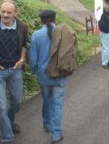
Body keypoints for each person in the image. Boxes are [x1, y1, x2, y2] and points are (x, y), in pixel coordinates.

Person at [0, 0, 27, 143]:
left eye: (9, 13)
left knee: (17, 102)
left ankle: (9, 122)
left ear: (15, 13)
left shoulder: (22, 27)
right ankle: (8, 136)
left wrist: (22, 59)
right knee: (1, 105)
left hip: (14, 70)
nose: (5, 15)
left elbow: (24, 45)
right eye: (3, 11)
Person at [29, 10, 66, 144]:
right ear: (54, 19)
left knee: (46, 99)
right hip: (59, 74)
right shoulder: (62, 32)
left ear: (41, 21)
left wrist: (35, 71)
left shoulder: (36, 35)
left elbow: (33, 59)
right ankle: (56, 134)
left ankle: (46, 123)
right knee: (57, 104)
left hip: (43, 75)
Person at [98, 3, 109, 69]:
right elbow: (101, 25)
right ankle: (104, 63)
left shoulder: (105, 15)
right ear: (106, 8)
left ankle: (105, 62)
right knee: (107, 48)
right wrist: (107, 30)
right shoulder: (104, 15)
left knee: (106, 48)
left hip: (106, 33)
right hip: (105, 33)